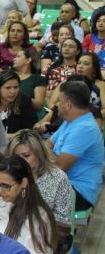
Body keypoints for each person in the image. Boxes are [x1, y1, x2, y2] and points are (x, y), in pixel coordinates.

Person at [47, 80, 104, 211]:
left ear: (68, 105)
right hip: (64, 184)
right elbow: (47, 144)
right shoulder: (71, 121)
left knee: (24, 191)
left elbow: (59, 168)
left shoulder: (84, 128)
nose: (57, 104)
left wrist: (49, 156)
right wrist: (53, 156)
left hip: (78, 192)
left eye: (59, 101)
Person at [8, 129, 73, 232]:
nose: (20, 161)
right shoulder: (3, 176)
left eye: (26, 156)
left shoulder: (57, 178)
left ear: (39, 154)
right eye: (15, 157)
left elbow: (63, 223)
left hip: (43, 235)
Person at [0, 69, 37, 134]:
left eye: (16, 87)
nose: (13, 92)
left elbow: (28, 131)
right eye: (8, 88)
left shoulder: (24, 101)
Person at [76, 51, 105, 116]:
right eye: (79, 63)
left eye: (86, 64)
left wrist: (91, 120)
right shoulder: (67, 82)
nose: (80, 66)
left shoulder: (100, 84)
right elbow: (52, 103)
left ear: (94, 69)